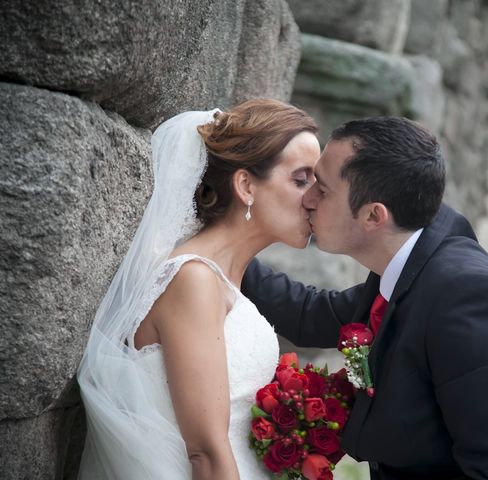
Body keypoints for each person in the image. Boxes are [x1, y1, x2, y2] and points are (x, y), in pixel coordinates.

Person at [242, 117, 488, 479]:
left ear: (374, 215)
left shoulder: (468, 302)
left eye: (322, 190)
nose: (306, 199)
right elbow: (311, 314)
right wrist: (225, 249)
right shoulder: (410, 259)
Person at [77, 99, 321, 479]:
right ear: (245, 185)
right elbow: (205, 452)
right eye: (301, 180)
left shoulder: (224, 280)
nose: (314, 199)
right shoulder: (194, 280)